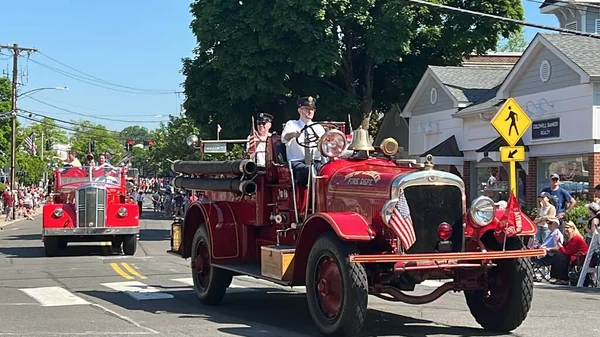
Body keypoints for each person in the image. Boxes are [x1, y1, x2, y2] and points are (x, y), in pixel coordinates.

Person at [281, 96, 326, 186]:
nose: (310, 112)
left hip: (316, 161)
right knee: (310, 170)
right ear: (300, 110)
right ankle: (311, 198)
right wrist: (293, 135)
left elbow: (326, 144)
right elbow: (284, 138)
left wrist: (322, 143)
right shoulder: (292, 124)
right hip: (297, 162)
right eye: (307, 109)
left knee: (328, 170)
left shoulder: (318, 127)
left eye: (312, 109)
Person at [547, 221, 589, 285]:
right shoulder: (568, 239)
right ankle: (556, 277)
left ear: (573, 229)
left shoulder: (576, 238)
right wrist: (550, 249)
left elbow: (565, 252)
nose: (565, 229)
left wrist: (558, 242)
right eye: (564, 228)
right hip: (573, 257)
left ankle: (563, 278)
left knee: (560, 256)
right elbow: (563, 249)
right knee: (557, 255)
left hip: (580, 258)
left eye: (567, 227)